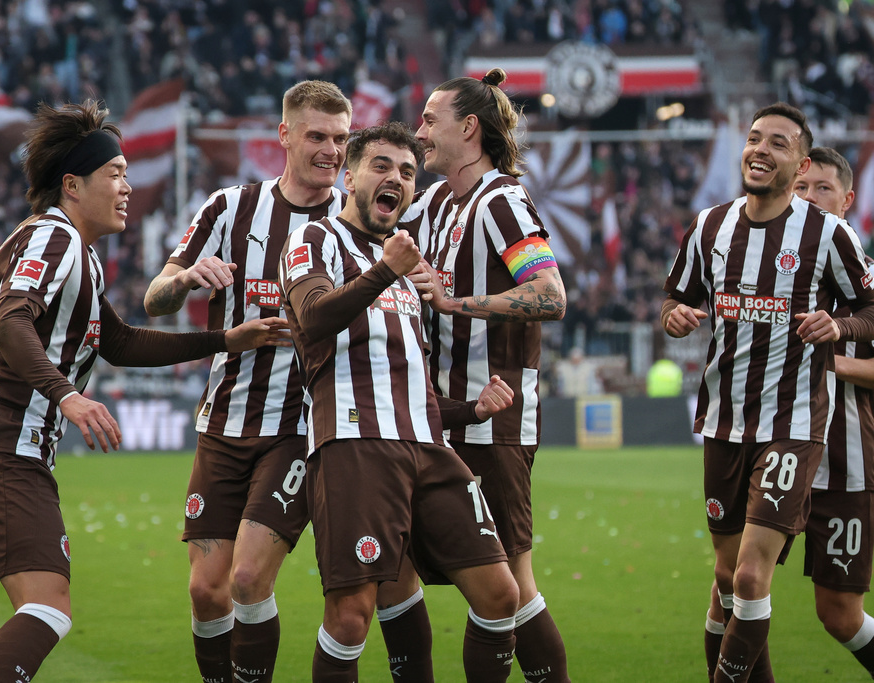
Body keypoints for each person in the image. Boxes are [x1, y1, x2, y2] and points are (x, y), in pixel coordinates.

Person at [0, 100, 288, 683]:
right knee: (47, 608)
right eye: (116, 174)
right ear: (73, 185)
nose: (128, 186)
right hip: (4, 445)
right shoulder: (54, 240)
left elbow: (122, 342)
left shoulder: (67, 248)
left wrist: (227, 339)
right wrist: (67, 396)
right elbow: (11, 320)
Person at [279, 121, 521, 682]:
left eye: (408, 172)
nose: (396, 179)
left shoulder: (408, 268)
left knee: (499, 593)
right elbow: (313, 319)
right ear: (349, 176)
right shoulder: (314, 240)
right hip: (353, 445)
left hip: (427, 446)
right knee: (350, 618)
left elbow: (410, 381)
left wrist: (469, 409)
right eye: (382, 166)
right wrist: (387, 270)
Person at [662, 103, 874, 683]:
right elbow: (673, 297)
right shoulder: (710, 225)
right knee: (725, 576)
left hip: (791, 424)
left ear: (800, 161)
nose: (760, 150)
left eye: (778, 144)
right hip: (723, 423)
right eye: (755, 139)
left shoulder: (827, 234)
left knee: (749, 578)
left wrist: (839, 325)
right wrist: (677, 316)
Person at [142, 80, 350, 683]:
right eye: (317, 136)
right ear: (284, 135)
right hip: (224, 422)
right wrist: (182, 281)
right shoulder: (231, 208)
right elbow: (154, 299)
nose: (331, 151)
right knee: (207, 592)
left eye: (341, 139)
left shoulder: (353, 220)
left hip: (299, 428)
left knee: (248, 579)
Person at [701, 147, 874, 683]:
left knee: (838, 614)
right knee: (734, 582)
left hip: (842, 463)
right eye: (802, 189)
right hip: (774, 447)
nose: (808, 198)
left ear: (846, 201)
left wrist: (829, 359)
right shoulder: (772, 268)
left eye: (822, 189)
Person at [393, 67, 571, 683]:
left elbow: (550, 294)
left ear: (469, 128)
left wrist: (457, 303)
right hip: (440, 420)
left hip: (496, 419)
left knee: (510, 582)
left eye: (430, 120)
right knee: (405, 569)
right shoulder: (436, 202)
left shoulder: (503, 201)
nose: (419, 133)